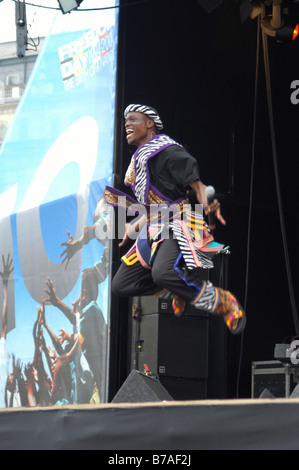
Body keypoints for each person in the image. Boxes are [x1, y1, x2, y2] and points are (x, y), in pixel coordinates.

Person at [105, 104, 246, 334]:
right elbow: (151, 205)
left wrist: (205, 208)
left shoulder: (169, 152)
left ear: (149, 123)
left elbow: (197, 186)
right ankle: (177, 289)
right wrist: (135, 222)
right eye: (125, 121)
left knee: (162, 272)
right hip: (154, 225)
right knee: (121, 285)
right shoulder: (139, 162)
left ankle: (222, 302)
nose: (127, 124)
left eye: (133, 119)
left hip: (178, 221)